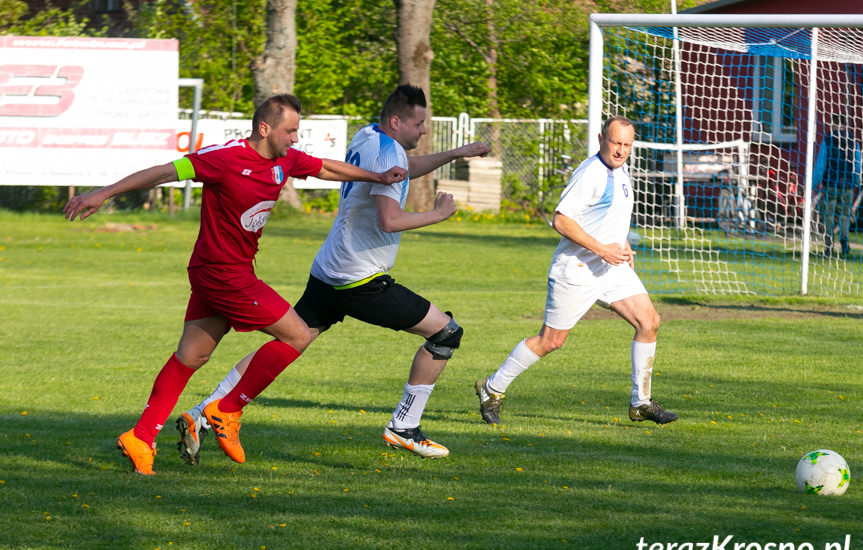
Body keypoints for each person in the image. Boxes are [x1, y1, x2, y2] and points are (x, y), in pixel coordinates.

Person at [63, 94, 407, 474]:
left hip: (225, 271)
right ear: (265, 128)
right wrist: (103, 193)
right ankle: (225, 409)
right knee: (297, 335)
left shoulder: (285, 159)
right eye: (289, 130)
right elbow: (163, 171)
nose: (295, 138)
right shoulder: (223, 158)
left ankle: (141, 438)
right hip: (223, 274)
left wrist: (377, 177)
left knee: (191, 357)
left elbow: (325, 167)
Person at [174, 84, 491, 462]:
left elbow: (405, 169)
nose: (423, 130)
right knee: (445, 333)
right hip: (360, 279)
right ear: (397, 121)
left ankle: (204, 414)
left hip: (330, 268)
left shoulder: (370, 137)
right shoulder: (387, 150)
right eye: (419, 123)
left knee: (292, 339)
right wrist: (437, 215)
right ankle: (404, 427)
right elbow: (389, 220)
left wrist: (457, 152)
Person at [473, 116, 677, 427]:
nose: (621, 150)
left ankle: (641, 402)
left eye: (627, 145)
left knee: (649, 322)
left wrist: (619, 243)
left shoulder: (621, 172)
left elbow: (609, 214)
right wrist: (603, 249)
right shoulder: (592, 173)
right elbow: (562, 220)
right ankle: (492, 388)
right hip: (578, 270)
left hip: (611, 268)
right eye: (615, 143)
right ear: (600, 139)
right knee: (550, 341)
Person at [812, 114, 861, 258]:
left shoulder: (828, 140)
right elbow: (857, 164)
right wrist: (855, 182)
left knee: (828, 216)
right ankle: (844, 244)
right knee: (845, 215)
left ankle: (828, 248)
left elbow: (820, 166)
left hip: (830, 184)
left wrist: (812, 185)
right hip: (847, 185)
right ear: (845, 125)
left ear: (833, 124)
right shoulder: (854, 141)